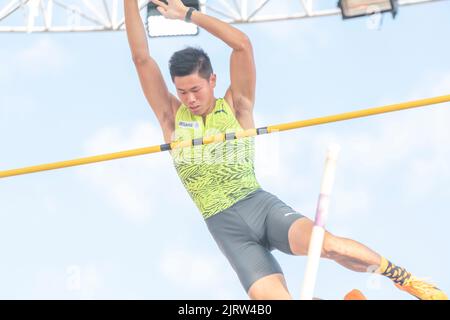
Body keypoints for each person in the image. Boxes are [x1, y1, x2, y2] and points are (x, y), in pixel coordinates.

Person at [124, 0, 447, 300]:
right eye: (182, 92)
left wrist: (188, 15)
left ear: (212, 80)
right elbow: (141, 58)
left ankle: (406, 279)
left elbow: (242, 44)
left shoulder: (237, 106)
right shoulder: (172, 118)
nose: (190, 99)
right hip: (225, 228)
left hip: (259, 206)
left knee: (329, 246)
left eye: (195, 89)